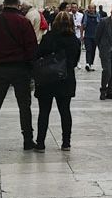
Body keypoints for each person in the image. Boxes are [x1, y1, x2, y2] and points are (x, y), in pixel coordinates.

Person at [0, 0, 38, 150]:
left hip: (0, 68)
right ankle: (27, 139)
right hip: (20, 69)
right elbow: (32, 47)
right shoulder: (23, 22)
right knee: (24, 105)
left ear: (4, 3)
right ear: (18, 4)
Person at [34, 10, 81, 150]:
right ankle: (66, 142)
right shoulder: (74, 40)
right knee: (65, 111)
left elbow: (38, 54)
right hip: (65, 79)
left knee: (44, 111)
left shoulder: (48, 37)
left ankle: (40, 142)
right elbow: (74, 61)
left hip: (47, 79)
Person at [81, 4, 100, 71]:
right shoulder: (85, 16)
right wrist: (81, 36)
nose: (91, 10)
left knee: (93, 51)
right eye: (90, 8)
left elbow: (99, 26)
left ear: (95, 9)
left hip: (95, 36)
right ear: (88, 9)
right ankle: (87, 63)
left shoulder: (98, 16)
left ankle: (91, 63)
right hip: (87, 36)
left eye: (93, 8)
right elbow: (82, 26)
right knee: (88, 50)